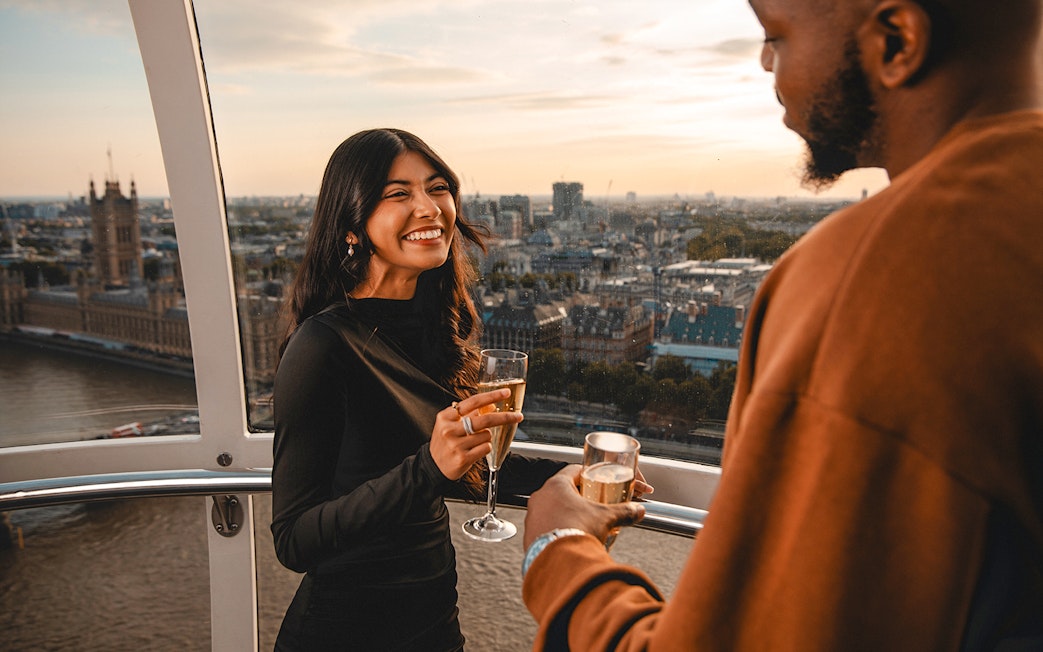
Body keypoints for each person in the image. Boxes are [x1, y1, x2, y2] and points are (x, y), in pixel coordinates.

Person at [521, 0, 1043, 648]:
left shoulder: (874, 278)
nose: (765, 59)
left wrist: (558, 554)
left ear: (895, 40)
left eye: (775, 34)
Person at [270, 128, 564, 651]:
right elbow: (294, 539)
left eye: (437, 188)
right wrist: (428, 468)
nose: (429, 208)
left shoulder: (433, 327)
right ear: (352, 224)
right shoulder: (323, 345)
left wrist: (576, 477)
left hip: (432, 624)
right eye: (397, 193)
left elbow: (458, 467)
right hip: (346, 633)